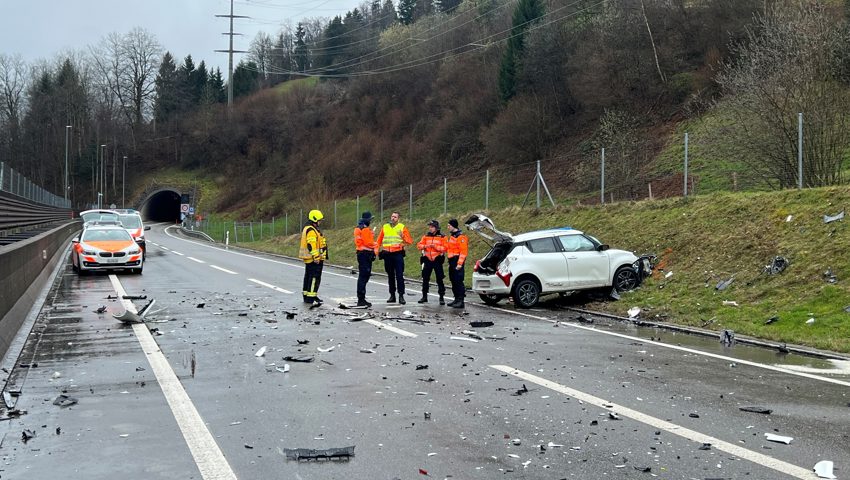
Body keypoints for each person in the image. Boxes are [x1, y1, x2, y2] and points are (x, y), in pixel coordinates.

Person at [376, 211, 413, 304]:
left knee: (399, 275)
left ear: (398, 219)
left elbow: (409, 241)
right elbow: (379, 240)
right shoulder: (385, 227)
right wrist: (376, 251)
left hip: (398, 254)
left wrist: (403, 236)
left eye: (395, 217)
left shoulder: (402, 227)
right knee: (390, 275)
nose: (393, 218)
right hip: (387, 254)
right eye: (392, 216)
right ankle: (392, 295)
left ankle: (401, 295)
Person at [299, 209, 327, 305]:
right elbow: (312, 245)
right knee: (314, 278)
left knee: (308, 276)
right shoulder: (311, 230)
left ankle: (307, 296)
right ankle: (310, 297)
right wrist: (316, 257)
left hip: (309, 258)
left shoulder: (310, 228)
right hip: (313, 259)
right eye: (319, 220)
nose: (320, 222)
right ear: (314, 220)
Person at [416, 220, 447, 305]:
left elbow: (445, 248)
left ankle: (441, 297)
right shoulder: (426, 236)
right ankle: (424, 296)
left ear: (436, 228)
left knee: (439, 279)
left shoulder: (442, 236)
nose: (430, 228)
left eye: (432, 227)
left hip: (437, 260)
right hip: (427, 259)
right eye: (429, 227)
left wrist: (436, 247)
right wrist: (426, 246)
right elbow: (419, 245)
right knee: (425, 278)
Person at [353, 211, 377, 307]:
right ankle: (361, 299)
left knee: (363, 276)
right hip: (365, 254)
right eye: (370, 219)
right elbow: (369, 243)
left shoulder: (358, 228)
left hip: (361, 253)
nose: (371, 221)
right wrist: (376, 244)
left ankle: (361, 298)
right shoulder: (365, 229)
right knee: (364, 276)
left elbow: (361, 241)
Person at [446, 218, 469, 308]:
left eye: (449, 225)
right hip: (452, 261)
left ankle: (460, 300)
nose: (448, 227)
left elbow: (463, 252)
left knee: (458, 281)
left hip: (457, 261)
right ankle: (456, 299)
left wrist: (459, 264)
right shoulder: (453, 236)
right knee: (453, 280)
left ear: (453, 226)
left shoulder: (461, 237)